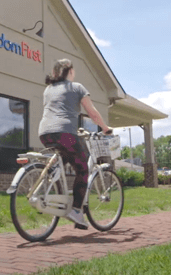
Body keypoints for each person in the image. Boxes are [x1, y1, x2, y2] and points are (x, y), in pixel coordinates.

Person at [38, 59, 112, 229]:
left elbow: (56, 111)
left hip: (44, 132)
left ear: (55, 73)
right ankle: (77, 211)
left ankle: (51, 182)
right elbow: (92, 113)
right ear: (70, 71)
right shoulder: (77, 87)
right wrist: (105, 128)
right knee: (82, 167)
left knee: (64, 155)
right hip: (65, 133)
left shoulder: (48, 89)